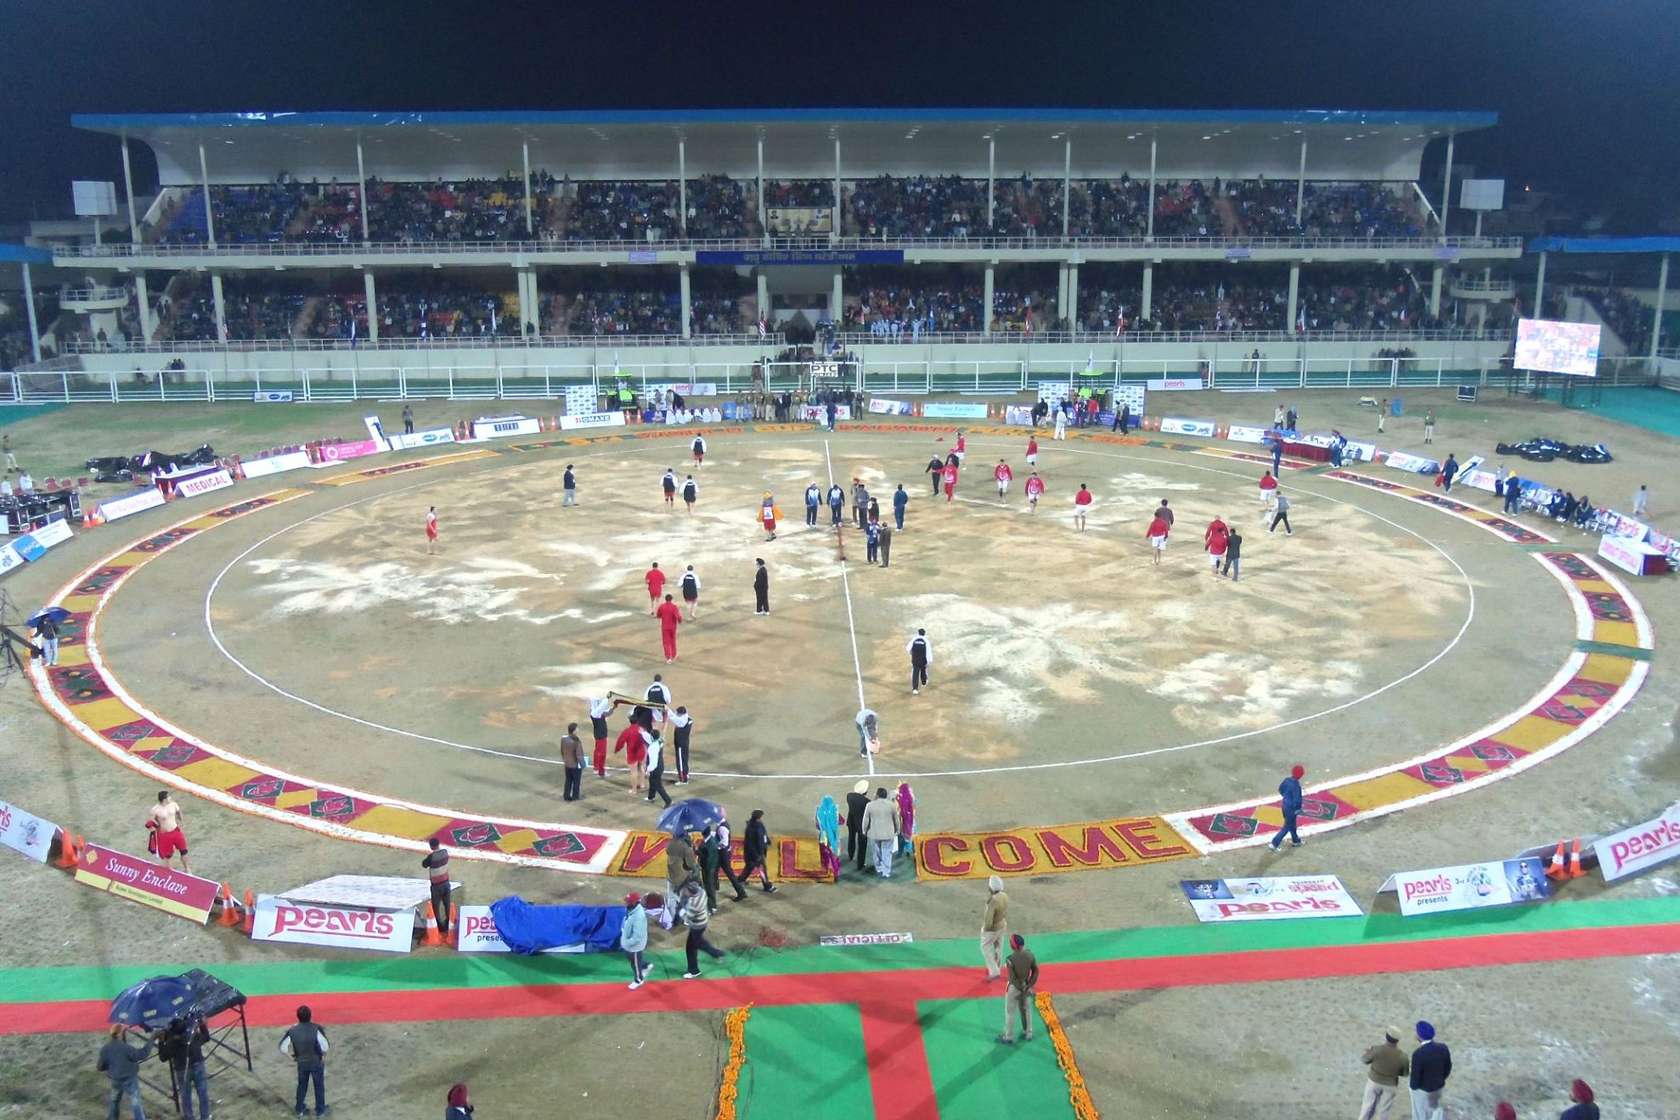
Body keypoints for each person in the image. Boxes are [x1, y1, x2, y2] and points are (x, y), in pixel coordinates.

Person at [279, 1005, 329, 1118]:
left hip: (302, 1063)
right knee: (319, 1086)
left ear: (298, 1017)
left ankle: (300, 1109)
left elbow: (283, 1048)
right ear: (310, 1016)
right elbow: (325, 1046)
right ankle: (320, 1111)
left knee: (302, 1085)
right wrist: (323, 1056)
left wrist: (291, 1058)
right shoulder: (316, 1028)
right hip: (316, 1062)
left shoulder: (292, 1030)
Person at [98, 1023, 153, 1120]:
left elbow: (100, 1067)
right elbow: (142, 1054)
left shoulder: (105, 1049)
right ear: (119, 1034)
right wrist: (152, 1039)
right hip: (130, 1079)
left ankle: (112, 1118)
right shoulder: (126, 1048)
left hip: (115, 1079)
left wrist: (111, 1067)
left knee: (114, 1100)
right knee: (135, 1101)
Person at [1358, 1026, 1410, 1120]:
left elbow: (1364, 1060)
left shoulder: (1376, 1049)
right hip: (1390, 1085)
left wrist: (1368, 1052)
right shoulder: (1403, 1056)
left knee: (1367, 1107)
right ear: (1397, 1040)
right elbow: (1405, 1074)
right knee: (1384, 1111)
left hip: (1374, 1081)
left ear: (1386, 1036)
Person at [998, 933, 1039, 1044]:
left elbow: (1013, 978)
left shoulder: (1010, 959)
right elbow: (1035, 971)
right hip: (1026, 985)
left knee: (1010, 1012)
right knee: (1026, 1009)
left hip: (1014, 988)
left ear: (1013, 946)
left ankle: (1009, 1036)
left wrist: (1021, 988)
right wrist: (1029, 986)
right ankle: (1028, 1032)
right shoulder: (1030, 955)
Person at [680, 880, 726, 978]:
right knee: (697, 943)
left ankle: (694, 970)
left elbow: (688, 917)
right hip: (703, 921)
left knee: (692, 946)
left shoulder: (694, 903)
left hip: (697, 925)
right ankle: (716, 953)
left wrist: (682, 913)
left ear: (691, 892)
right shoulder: (701, 891)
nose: (685, 891)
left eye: (686, 890)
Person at [1408, 1021, 1451, 1120]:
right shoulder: (1443, 1048)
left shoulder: (1418, 1054)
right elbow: (1448, 1067)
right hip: (1439, 1086)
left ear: (1419, 1036)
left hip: (1423, 1090)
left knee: (1420, 1113)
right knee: (1436, 1110)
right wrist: (1440, 1080)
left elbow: (1414, 1082)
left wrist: (1413, 1087)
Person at [147, 791, 192, 872]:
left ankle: (187, 869)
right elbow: (150, 820)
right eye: (168, 797)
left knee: (184, 850)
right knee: (168, 855)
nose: (170, 798)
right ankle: (170, 870)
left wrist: (182, 822)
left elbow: (178, 812)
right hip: (165, 835)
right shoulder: (155, 810)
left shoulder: (173, 804)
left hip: (175, 831)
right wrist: (156, 826)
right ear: (164, 799)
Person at [862, 786, 901, 877]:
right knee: (887, 852)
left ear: (877, 795)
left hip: (874, 833)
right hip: (888, 834)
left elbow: (866, 820)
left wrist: (864, 830)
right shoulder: (892, 805)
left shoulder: (870, 805)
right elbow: (896, 820)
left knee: (876, 852)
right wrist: (898, 830)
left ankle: (878, 867)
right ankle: (886, 871)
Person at [740, 809, 778, 893]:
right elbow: (755, 843)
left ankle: (740, 880)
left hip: (751, 853)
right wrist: (759, 855)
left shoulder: (755, 825)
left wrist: (767, 840)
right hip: (756, 853)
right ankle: (767, 886)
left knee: (749, 867)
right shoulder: (754, 828)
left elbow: (764, 835)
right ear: (758, 818)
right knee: (762, 870)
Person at [1269, 765, 1305, 850]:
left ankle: (1296, 840)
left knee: (1292, 825)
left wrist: (1285, 797)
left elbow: (1280, 789)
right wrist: (1298, 809)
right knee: (1287, 827)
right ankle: (1274, 843)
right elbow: (1297, 800)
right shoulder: (1296, 786)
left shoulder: (1286, 780)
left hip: (1284, 805)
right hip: (1291, 809)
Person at [421, 837, 452, 937]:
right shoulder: (445, 852)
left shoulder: (431, 857)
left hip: (436, 886)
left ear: (431, 846)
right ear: (439, 844)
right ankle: (449, 924)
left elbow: (424, 864)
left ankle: (440, 927)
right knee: (447, 905)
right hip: (446, 883)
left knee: (436, 907)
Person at [981, 875, 1009, 980]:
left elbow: (988, 920)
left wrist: (985, 930)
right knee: (998, 947)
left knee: (985, 947)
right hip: (1002, 924)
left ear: (991, 888)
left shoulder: (992, 901)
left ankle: (994, 971)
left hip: (993, 929)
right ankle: (997, 965)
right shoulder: (1005, 896)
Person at [621, 892, 650, 989]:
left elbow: (637, 936)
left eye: (628, 902)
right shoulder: (632, 910)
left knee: (635, 963)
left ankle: (639, 979)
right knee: (631, 958)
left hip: (635, 945)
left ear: (634, 903)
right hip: (630, 942)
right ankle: (646, 965)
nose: (626, 903)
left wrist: (627, 943)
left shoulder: (638, 916)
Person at [615, 721, 649, 796]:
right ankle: (642, 784)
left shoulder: (627, 731)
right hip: (641, 752)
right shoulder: (642, 729)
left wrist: (616, 749)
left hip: (632, 753)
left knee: (633, 771)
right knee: (641, 767)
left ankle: (634, 790)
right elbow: (647, 739)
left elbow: (620, 741)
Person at [845, 779, 871, 872]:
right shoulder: (867, 801)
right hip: (861, 824)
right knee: (862, 844)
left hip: (851, 822)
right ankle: (860, 864)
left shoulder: (849, 796)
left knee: (851, 838)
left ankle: (851, 855)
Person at [815, 796, 843, 880]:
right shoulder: (835, 811)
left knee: (824, 854)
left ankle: (825, 869)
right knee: (834, 856)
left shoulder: (819, 811)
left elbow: (817, 826)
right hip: (834, 838)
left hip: (823, 838)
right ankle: (836, 873)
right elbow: (842, 821)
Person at [644, 730, 672, 808]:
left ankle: (668, 800)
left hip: (656, 768)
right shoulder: (660, 740)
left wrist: (648, 770)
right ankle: (651, 796)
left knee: (658, 785)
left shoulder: (652, 748)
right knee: (652, 781)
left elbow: (653, 763)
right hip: (660, 765)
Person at [655, 593, 682, 662]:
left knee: (666, 642)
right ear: (671, 599)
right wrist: (679, 621)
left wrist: (660, 621)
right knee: (673, 641)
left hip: (665, 627)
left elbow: (658, 616)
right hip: (673, 627)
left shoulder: (661, 607)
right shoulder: (674, 607)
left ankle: (668, 658)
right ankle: (674, 655)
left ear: (665, 599)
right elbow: (677, 616)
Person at [560, 722, 583, 801]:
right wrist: (583, 765)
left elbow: (562, 751)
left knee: (568, 781)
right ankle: (575, 796)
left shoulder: (564, 739)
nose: (578, 730)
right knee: (576, 782)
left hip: (567, 764)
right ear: (574, 731)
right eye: (577, 729)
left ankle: (566, 796)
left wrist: (565, 760)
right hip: (575, 765)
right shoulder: (576, 741)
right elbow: (579, 755)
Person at [895, 782, 917, 859]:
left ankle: (900, 853)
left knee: (901, 837)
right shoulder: (912, 798)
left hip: (902, 822)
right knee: (912, 836)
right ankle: (913, 852)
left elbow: (897, 810)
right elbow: (914, 810)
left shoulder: (899, 799)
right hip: (911, 821)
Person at [907, 628, 931, 694]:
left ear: (918, 633)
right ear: (924, 633)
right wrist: (929, 660)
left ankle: (915, 689)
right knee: (923, 670)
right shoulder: (926, 640)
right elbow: (928, 651)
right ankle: (924, 682)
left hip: (915, 659)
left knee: (915, 673)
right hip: (923, 660)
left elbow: (908, 648)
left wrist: (911, 653)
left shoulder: (914, 639)